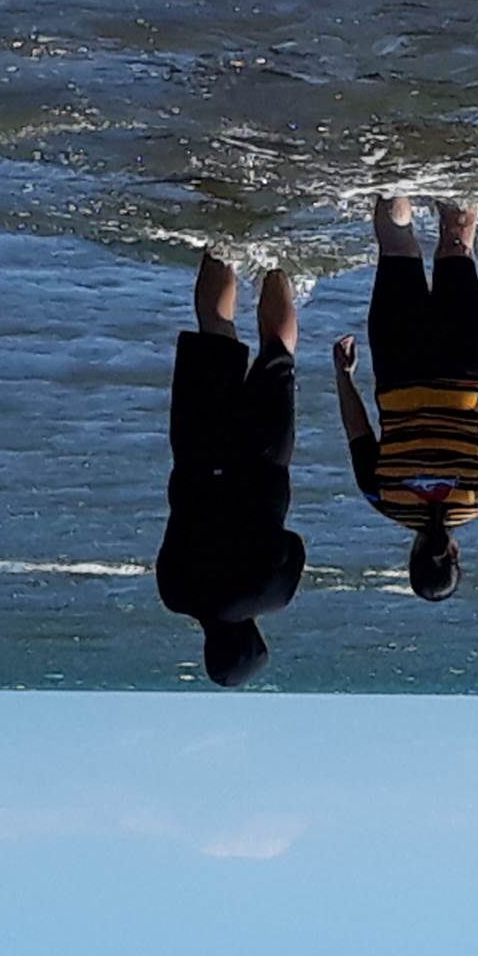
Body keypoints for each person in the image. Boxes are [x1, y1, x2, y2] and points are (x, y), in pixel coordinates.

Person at [332, 193, 478, 600]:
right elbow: (357, 430)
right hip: (398, 362)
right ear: (411, 556)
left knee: (457, 244)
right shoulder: (383, 497)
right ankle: (395, 171)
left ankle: (449, 169)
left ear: (456, 554)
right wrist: (344, 376)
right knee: (397, 247)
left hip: (462, 363)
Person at [156, 251, 305, 687]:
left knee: (277, 352)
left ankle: (276, 254)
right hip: (198, 452)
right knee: (215, 329)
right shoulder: (174, 592)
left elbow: (292, 546)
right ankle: (223, 239)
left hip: (263, 460)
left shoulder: (273, 595)